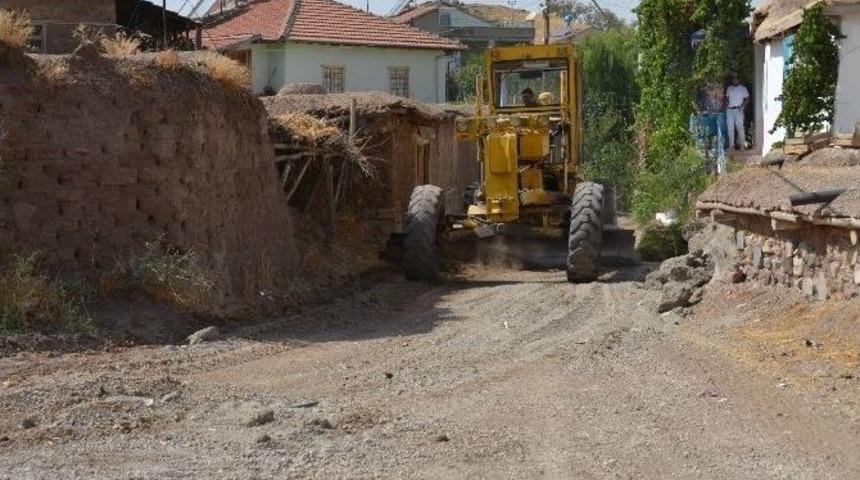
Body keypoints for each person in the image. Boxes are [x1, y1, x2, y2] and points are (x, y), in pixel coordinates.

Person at [725, 74, 749, 150]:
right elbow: (726, 98)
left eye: (736, 79)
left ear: (739, 80)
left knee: (740, 127)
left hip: (738, 109)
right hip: (729, 109)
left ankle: (742, 145)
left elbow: (747, 99)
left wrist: (742, 106)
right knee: (730, 127)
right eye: (733, 79)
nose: (734, 80)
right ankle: (731, 146)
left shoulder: (743, 89)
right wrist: (726, 103)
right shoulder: (729, 88)